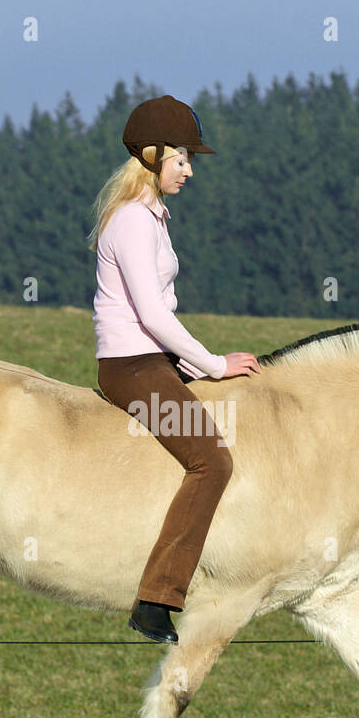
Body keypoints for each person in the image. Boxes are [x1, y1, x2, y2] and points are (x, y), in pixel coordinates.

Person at [87, 94, 260, 644]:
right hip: (133, 366)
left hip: (155, 360)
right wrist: (212, 364)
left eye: (190, 160)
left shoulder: (151, 218)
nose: (189, 170)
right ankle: (157, 600)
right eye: (182, 158)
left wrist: (198, 367)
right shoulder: (134, 222)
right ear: (153, 154)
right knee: (212, 460)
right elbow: (154, 315)